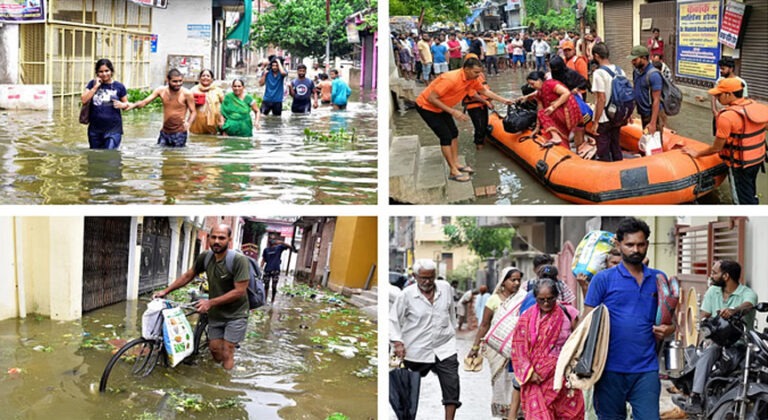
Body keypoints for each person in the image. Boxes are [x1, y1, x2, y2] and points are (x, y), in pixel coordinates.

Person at [584, 217, 675, 419]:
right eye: (630, 244)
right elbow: (587, 323)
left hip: (646, 369)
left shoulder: (659, 279)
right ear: (618, 244)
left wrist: (668, 330)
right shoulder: (603, 279)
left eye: (641, 244)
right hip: (608, 369)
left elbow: (671, 321)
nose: (636, 250)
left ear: (647, 245)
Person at [153, 224, 249, 370]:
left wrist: (210, 302)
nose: (217, 241)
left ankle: (225, 385)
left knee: (227, 351)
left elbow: (239, 291)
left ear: (229, 240)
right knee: (215, 349)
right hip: (216, 313)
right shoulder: (206, 257)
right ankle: (217, 371)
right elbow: (188, 276)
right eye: (214, 237)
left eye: (221, 238)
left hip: (236, 313)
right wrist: (165, 291)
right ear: (209, 238)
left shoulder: (238, 260)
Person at [415, 57, 512, 182]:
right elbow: (431, 98)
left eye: (479, 72)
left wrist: (504, 100)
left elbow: (484, 91)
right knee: (445, 136)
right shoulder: (451, 79)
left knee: (454, 133)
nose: (478, 75)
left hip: (442, 108)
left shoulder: (472, 79)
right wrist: (453, 111)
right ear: (466, 69)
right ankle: (452, 171)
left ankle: (456, 163)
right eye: (476, 72)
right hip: (427, 107)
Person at [682, 259, 757, 414]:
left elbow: (749, 304)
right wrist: (709, 322)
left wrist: (734, 310)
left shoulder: (747, 293)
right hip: (719, 342)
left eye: (715, 273)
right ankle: (695, 396)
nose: (711, 275)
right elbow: (704, 314)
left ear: (726, 276)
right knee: (709, 351)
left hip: (741, 343)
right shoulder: (712, 292)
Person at [390, 259, 461, 419]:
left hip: (444, 346)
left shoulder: (445, 288)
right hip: (414, 349)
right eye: (423, 278)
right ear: (415, 276)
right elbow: (393, 320)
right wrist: (397, 342)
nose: (427, 281)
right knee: (402, 386)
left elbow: (451, 313)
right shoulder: (406, 295)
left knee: (452, 385)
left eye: (431, 277)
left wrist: (452, 330)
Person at [682, 78, 767, 205]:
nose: (716, 97)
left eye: (719, 94)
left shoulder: (727, 117)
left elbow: (717, 148)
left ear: (729, 94)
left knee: (741, 199)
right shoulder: (756, 107)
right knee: (750, 190)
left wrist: (697, 153)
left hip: (740, 165)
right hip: (757, 160)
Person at [512, 278, 584, 420]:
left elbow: (579, 342)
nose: (546, 303)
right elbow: (518, 348)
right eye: (541, 299)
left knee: (568, 415)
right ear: (535, 298)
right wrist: (529, 373)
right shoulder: (526, 318)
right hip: (536, 379)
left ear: (556, 297)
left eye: (550, 299)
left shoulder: (567, 313)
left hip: (564, 378)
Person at [466, 268, 526, 418]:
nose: (516, 283)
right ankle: (506, 415)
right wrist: (475, 347)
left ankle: (517, 414)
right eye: (513, 280)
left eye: (519, 280)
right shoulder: (493, 300)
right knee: (501, 383)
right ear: (503, 281)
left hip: (518, 351)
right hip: (498, 352)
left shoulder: (523, 299)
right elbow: (485, 325)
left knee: (518, 383)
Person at [130, 68, 196, 147]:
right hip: (164, 132)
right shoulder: (161, 90)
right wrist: (130, 105)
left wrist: (188, 123)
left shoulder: (187, 94)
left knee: (177, 156)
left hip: (179, 133)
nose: (178, 84)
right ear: (167, 80)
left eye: (180, 81)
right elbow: (144, 102)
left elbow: (193, 112)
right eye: (175, 81)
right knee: (163, 155)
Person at [519, 71, 582, 148]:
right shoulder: (539, 93)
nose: (532, 87)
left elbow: (566, 93)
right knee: (544, 117)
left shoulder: (550, 84)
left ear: (539, 80)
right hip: (559, 113)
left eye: (533, 84)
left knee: (543, 114)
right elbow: (540, 110)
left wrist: (553, 106)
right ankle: (565, 147)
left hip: (566, 112)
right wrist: (537, 128)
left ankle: (556, 137)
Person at [81, 58, 129, 149]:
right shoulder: (92, 84)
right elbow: (84, 100)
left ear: (111, 71)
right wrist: (95, 87)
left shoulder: (119, 86)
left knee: (109, 154)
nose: (104, 74)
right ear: (97, 73)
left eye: (107, 71)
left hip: (113, 130)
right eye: (101, 71)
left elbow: (127, 104)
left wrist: (122, 105)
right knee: (95, 158)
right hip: (95, 130)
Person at [591, 42, 624, 162]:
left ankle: (606, 174)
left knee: (603, 149)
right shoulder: (620, 71)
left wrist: (595, 122)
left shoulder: (598, 73)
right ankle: (619, 168)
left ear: (596, 56)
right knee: (616, 145)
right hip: (617, 116)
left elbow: (601, 99)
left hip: (604, 118)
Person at [629, 45, 664, 140]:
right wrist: (630, 111)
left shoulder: (654, 75)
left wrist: (653, 123)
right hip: (643, 112)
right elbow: (635, 92)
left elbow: (657, 100)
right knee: (646, 138)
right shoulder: (636, 72)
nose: (632, 62)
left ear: (644, 58)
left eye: (635, 60)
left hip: (653, 114)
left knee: (654, 141)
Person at [189, 69, 225, 135]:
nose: (205, 77)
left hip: (214, 124)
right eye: (203, 76)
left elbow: (225, 106)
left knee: (213, 142)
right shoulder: (193, 90)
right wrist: (193, 102)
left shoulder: (218, 90)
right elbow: (186, 105)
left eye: (208, 76)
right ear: (199, 78)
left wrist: (222, 120)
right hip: (197, 124)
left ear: (211, 79)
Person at [260, 238, 295, 303]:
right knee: (266, 285)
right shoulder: (266, 250)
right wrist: (260, 268)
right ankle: (264, 300)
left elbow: (290, 247)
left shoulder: (279, 248)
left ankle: (272, 300)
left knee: (274, 286)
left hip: (276, 270)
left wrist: (281, 242)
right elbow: (263, 259)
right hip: (267, 270)